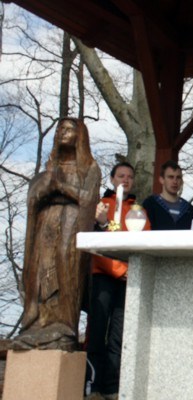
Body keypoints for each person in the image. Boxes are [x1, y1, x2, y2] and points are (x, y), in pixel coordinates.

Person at [14, 118, 100, 351]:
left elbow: (88, 199)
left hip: (71, 226)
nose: (62, 132)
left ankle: (64, 325)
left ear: (79, 135)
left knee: (66, 268)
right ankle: (38, 322)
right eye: (60, 129)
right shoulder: (50, 169)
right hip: (46, 225)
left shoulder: (89, 168)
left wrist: (61, 188)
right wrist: (45, 189)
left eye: (69, 129)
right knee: (40, 270)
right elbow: (35, 197)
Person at [86, 161, 150, 399]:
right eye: (121, 175)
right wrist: (101, 222)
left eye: (130, 176)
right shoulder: (103, 205)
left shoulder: (139, 210)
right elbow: (101, 246)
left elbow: (145, 241)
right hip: (104, 276)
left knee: (118, 335)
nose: (126, 180)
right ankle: (91, 384)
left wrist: (127, 272)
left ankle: (112, 387)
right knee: (97, 331)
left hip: (127, 279)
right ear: (112, 179)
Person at [142, 160, 193, 230]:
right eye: (171, 177)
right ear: (161, 180)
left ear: (182, 181)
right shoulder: (150, 204)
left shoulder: (189, 210)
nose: (175, 181)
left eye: (178, 177)